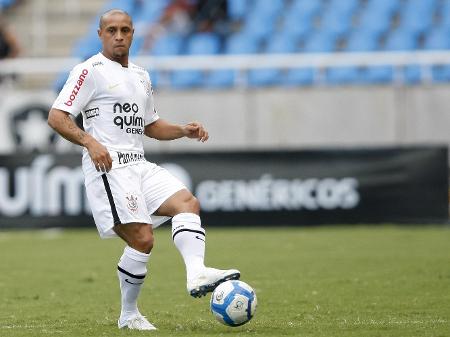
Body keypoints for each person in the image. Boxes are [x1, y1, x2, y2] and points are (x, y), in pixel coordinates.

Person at [47, 9, 239, 331]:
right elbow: (57, 116)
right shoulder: (89, 71)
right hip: (109, 167)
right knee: (143, 239)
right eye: (111, 30)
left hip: (138, 163)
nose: (118, 36)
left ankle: (197, 274)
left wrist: (182, 130)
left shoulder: (140, 75)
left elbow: (150, 125)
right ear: (100, 34)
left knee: (187, 203)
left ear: (133, 33)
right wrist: (90, 143)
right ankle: (129, 313)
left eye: (124, 30)